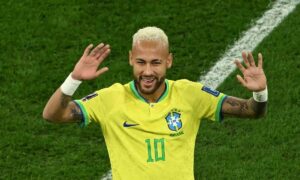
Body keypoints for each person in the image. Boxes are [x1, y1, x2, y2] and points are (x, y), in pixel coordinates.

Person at [43, 26, 267, 180]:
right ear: (131, 58)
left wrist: (260, 93)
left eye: (155, 63)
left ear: (168, 61)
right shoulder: (110, 99)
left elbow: (251, 111)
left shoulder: (191, 94)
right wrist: (74, 79)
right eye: (141, 62)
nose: (147, 71)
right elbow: (52, 115)